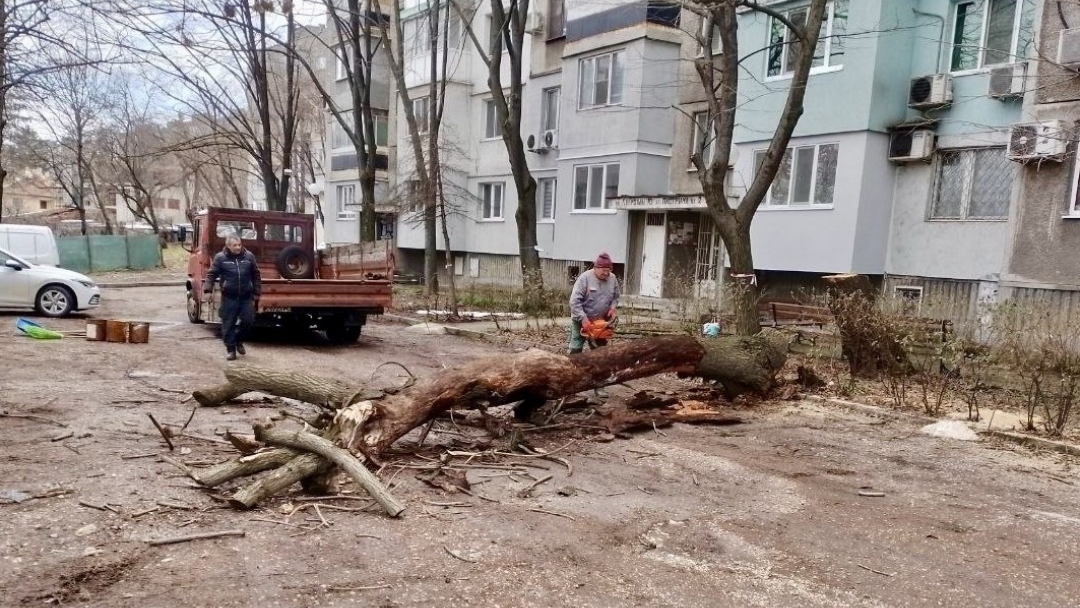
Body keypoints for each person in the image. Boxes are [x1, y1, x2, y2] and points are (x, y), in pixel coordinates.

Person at [203, 234, 261, 360]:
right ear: (228, 246)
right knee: (228, 324)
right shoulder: (221, 258)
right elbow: (211, 275)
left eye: (239, 244)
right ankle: (231, 350)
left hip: (246, 296)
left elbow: (256, 275)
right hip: (229, 297)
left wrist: (257, 292)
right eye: (235, 245)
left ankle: (239, 340)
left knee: (248, 321)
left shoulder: (249, 257)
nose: (238, 247)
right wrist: (207, 290)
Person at [568, 252, 620, 354]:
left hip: (600, 321)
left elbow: (616, 296)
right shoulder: (584, 278)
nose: (606, 273)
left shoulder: (612, 278)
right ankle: (573, 362)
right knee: (576, 346)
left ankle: (598, 363)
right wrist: (583, 318)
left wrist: (612, 308)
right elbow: (574, 301)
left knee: (600, 348)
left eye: (608, 270)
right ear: (595, 267)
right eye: (604, 271)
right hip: (581, 318)